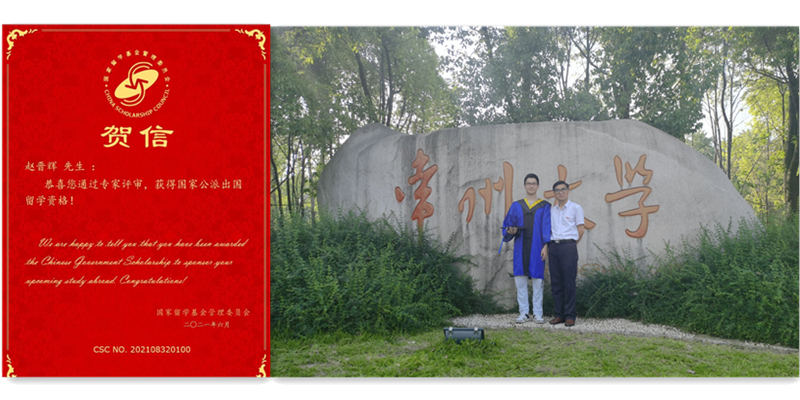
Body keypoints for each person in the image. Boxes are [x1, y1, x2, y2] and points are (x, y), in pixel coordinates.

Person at [502, 173, 551, 324]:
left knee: (537, 281)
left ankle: (537, 313)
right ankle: (523, 313)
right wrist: (510, 231)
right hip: (520, 248)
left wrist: (546, 245)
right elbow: (508, 225)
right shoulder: (516, 205)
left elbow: (547, 227)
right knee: (520, 281)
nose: (531, 186)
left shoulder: (544, 206)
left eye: (533, 183)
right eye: (528, 183)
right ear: (524, 186)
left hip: (537, 248)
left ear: (538, 186)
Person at [546, 180, 585, 327]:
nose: (560, 192)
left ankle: (570, 315)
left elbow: (581, 230)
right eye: (557, 190)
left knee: (569, 282)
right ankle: (559, 315)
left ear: (568, 191)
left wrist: (571, 244)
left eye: (563, 189)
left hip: (568, 246)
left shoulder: (576, 208)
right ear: (554, 193)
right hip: (553, 247)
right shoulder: (552, 210)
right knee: (556, 282)